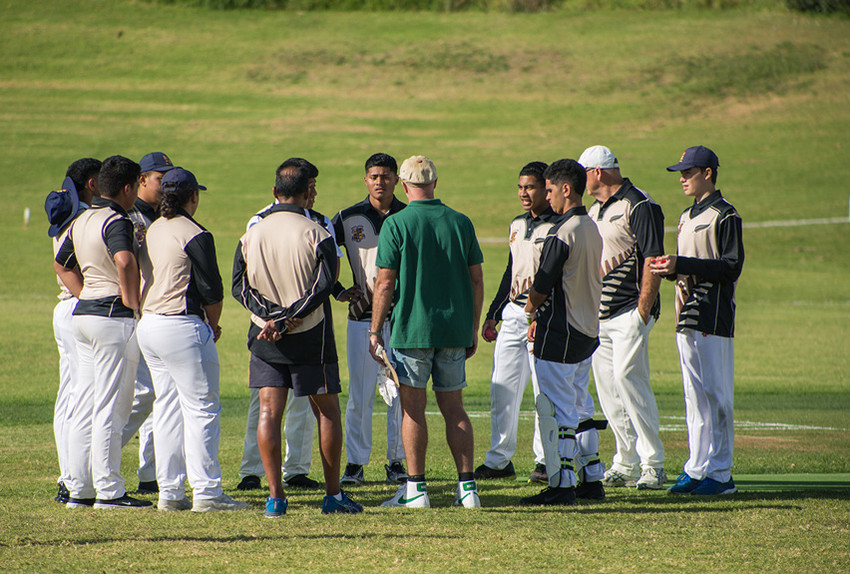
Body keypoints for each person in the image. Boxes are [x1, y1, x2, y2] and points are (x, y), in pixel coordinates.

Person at [232, 161, 362, 516]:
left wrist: (272, 319)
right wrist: (288, 318)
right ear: (308, 194)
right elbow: (323, 287)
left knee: (269, 413)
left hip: (264, 335)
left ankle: (275, 498)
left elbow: (239, 287)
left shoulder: (251, 233)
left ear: (275, 192)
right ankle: (333, 496)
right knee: (328, 413)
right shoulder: (317, 232)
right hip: (311, 335)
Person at [369, 155, 484, 509]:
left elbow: (385, 284)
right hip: (454, 330)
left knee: (412, 411)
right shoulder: (460, 222)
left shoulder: (396, 224)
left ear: (404, 185)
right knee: (455, 409)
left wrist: (374, 331)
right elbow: (476, 279)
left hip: (411, 329)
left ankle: (416, 489)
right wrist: (472, 328)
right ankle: (468, 489)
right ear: (435, 182)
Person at [136, 167, 248, 512]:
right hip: (181, 326)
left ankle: (170, 492)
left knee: (167, 408)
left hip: (149, 325)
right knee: (202, 409)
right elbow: (213, 292)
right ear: (193, 197)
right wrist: (213, 325)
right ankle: (208, 492)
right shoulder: (195, 232)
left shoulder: (154, 227)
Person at [54, 155, 152, 509]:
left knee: (84, 403)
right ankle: (109, 490)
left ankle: (79, 488)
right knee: (112, 405)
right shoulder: (117, 220)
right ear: (128, 188)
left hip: (84, 315)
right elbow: (125, 260)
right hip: (113, 317)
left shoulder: (81, 219)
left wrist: (85, 292)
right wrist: (132, 303)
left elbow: (61, 263)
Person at [650, 145, 744, 496]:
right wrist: (667, 268)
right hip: (685, 316)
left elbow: (731, 266)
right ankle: (697, 467)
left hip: (713, 316)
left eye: (688, 172)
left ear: (708, 173)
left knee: (718, 396)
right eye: (681, 173)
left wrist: (682, 264)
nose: (683, 179)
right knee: (694, 397)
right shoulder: (687, 216)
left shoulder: (725, 214)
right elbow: (688, 266)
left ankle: (721, 475)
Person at [579, 145, 667, 492]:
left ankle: (654, 463)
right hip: (599, 316)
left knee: (629, 379)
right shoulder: (594, 210)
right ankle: (625, 461)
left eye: (583, 173)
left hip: (630, 310)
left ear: (598, 172)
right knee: (609, 389)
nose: (581, 180)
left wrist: (643, 310)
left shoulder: (639, 204)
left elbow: (652, 257)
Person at [519, 159, 603, 507]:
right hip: (587, 330)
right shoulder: (591, 226)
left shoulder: (562, 232)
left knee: (556, 410)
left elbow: (543, 282)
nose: (548, 197)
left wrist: (529, 310)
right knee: (581, 405)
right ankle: (592, 479)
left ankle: (562, 483)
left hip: (560, 331)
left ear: (565, 189)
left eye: (550, 189)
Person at [332, 153, 408, 487]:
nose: (380, 182)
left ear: (396, 180)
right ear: (366, 180)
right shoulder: (347, 217)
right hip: (361, 317)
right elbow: (321, 254)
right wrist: (337, 290)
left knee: (400, 393)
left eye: (387, 176)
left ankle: (397, 462)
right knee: (360, 394)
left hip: (404, 318)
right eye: (374, 176)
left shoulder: (409, 215)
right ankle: (356, 464)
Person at [475, 161, 553, 483]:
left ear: (545, 188)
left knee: (542, 390)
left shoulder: (558, 226)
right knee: (502, 388)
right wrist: (493, 312)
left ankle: (546, 461)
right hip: (511, 315)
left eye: (530, 187)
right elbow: (511, 271)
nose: (523, 193)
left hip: (542, 318)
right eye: (520, 187)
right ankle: (499, 460)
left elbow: (556, 279)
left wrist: (542, 315)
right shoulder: (517, 224)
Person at [45, 158, 101, 504]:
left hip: (64, 308)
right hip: (79, 303)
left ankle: (69, 475)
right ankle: (74, 477)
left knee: (69, 395)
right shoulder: (83, 217)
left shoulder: (65, 207)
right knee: (82, 396)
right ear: (92, 184)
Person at [121, 151, 177, 495]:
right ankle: (99, 455)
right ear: (142, 179)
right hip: (132, 314)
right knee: (143, 394)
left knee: (161, 395)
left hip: (155, 314)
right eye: (161, 178)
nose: (166, 185)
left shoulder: (162, 215)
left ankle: (150, 473)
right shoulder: (130, 216)